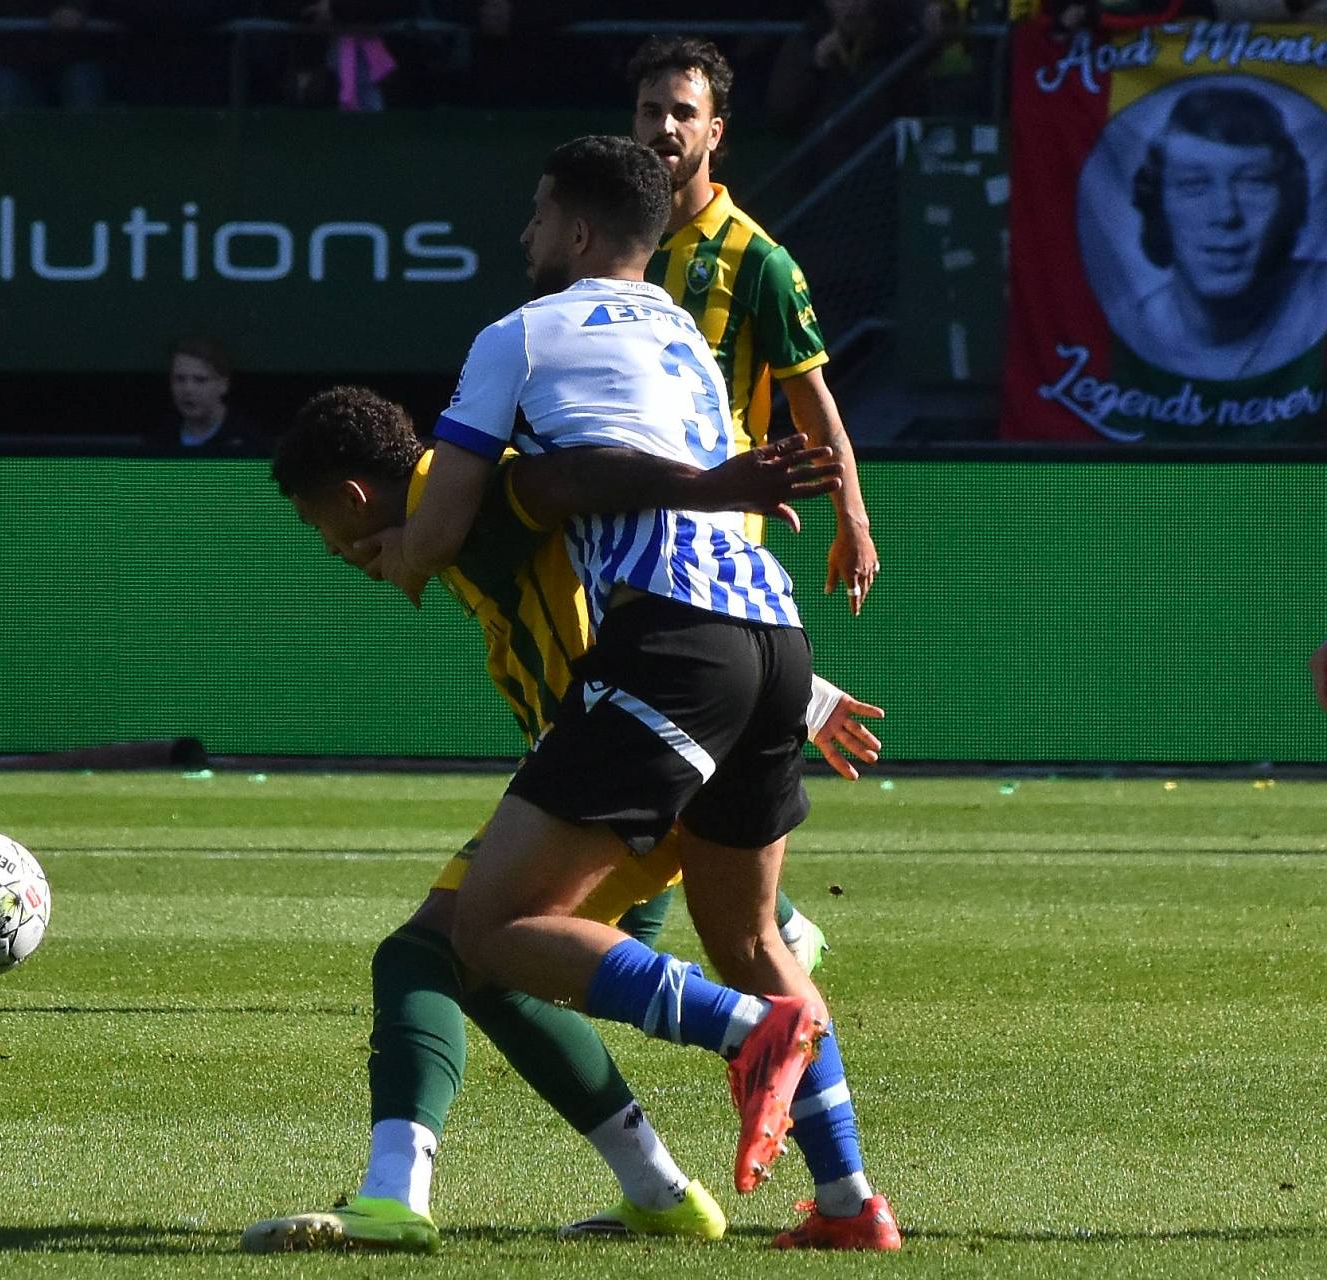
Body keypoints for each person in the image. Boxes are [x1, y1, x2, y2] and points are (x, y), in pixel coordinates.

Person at [359, 135, 900, 1250]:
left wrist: (402, 554)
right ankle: (848, 1203)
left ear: (581, 232)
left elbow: (454, 517)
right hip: (773, 632)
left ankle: (748, 1032)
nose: (526, 235)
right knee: (751, 930)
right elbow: (594, 472)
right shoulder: (687, 342)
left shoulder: (517, 335)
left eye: (539, 214)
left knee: (497, 926)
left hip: (669, 639)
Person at [243, 386, 884, 1252]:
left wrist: (711, 484)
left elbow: (569, 484)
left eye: (329, 533)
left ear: (355, 499)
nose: (339, 554)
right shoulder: (450, 515)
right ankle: (806, 1200)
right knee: (523, 965)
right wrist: (794, 694)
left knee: (431, 950)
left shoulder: (454, 493)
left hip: (621, 760)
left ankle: (394, 1199)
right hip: (671, 726)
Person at [631, 35, 881, 613]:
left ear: (714, 134)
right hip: (628, 523)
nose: (665, 126)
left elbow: (813, 405)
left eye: (684, 113)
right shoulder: (613, 244)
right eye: (651, 111)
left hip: (719, 535)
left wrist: (853, 523)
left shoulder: (757, 259)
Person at [1126, 86, 1327, 383]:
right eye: (1193, 184)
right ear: (1158, 205)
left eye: (1253, 182)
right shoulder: (1128, 331)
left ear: (1289, 199)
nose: (1226, 214)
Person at [145, 336, 262, 456]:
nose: (188, 389)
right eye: (179, 379)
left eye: (200, 380)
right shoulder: (160, 440)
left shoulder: (249, 442)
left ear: (223, 385)